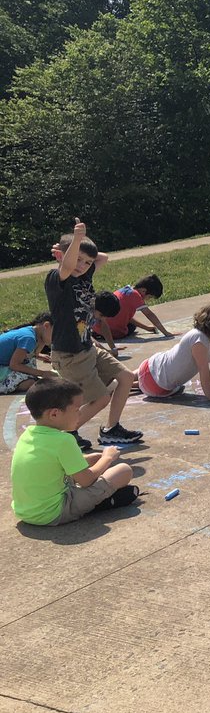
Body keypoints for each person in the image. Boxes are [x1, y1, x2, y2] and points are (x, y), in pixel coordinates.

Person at [44, 218, 141, 449]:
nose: (82, 265)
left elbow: (102, 257)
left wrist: (73, 248)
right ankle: (67, 435)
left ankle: (111, 430)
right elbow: (68, 267)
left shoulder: (85, 275)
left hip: (88, 348)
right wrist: (74, 241)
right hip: (70, 354)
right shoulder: (56, 280)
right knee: (101, 398)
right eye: (78, 259)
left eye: (87, 262)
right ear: (63, 258)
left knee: (126, 377)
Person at [10, 377, 138, 526]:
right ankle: (100, 503)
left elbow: (53, 464)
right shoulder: (64, 440)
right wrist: (107, 458)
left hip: (25, 512)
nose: (80, 414)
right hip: (54, 513)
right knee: (123, 471)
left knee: (92, 466)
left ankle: (100, 500)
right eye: (77, 410)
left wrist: (90, 459)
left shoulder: (28, 435)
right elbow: (86, 480)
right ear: (54, 414)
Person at [138, 301, 210, 399]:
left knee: (140, 378)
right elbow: (204, 370)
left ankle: (132, 381)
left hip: (159, 385)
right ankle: (131, 379)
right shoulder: (199, 339)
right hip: (152, 374)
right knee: (138, 377)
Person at [90, 274, 176, 340]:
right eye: (149, 297)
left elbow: (125, 317)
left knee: (131, 324)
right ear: (143, 291)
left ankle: (98, 333)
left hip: (98, 327)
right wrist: (165, 332)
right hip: (111, 331)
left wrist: (147, 328)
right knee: (130, 327)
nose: (147, 300)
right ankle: (105, 335)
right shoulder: (135, 295)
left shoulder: (126, 290)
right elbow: (149, 314)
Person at [0, 312, 55, 395]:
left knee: (30, 363)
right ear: (46, 325)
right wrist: (42, 373)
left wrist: (39, 354)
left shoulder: (31, 331)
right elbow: (14, 365)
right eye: (55, 334)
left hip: (5, 363)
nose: (56, 338)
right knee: (30, 383)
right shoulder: (29, 338)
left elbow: (31, 352)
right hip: (5, 366)